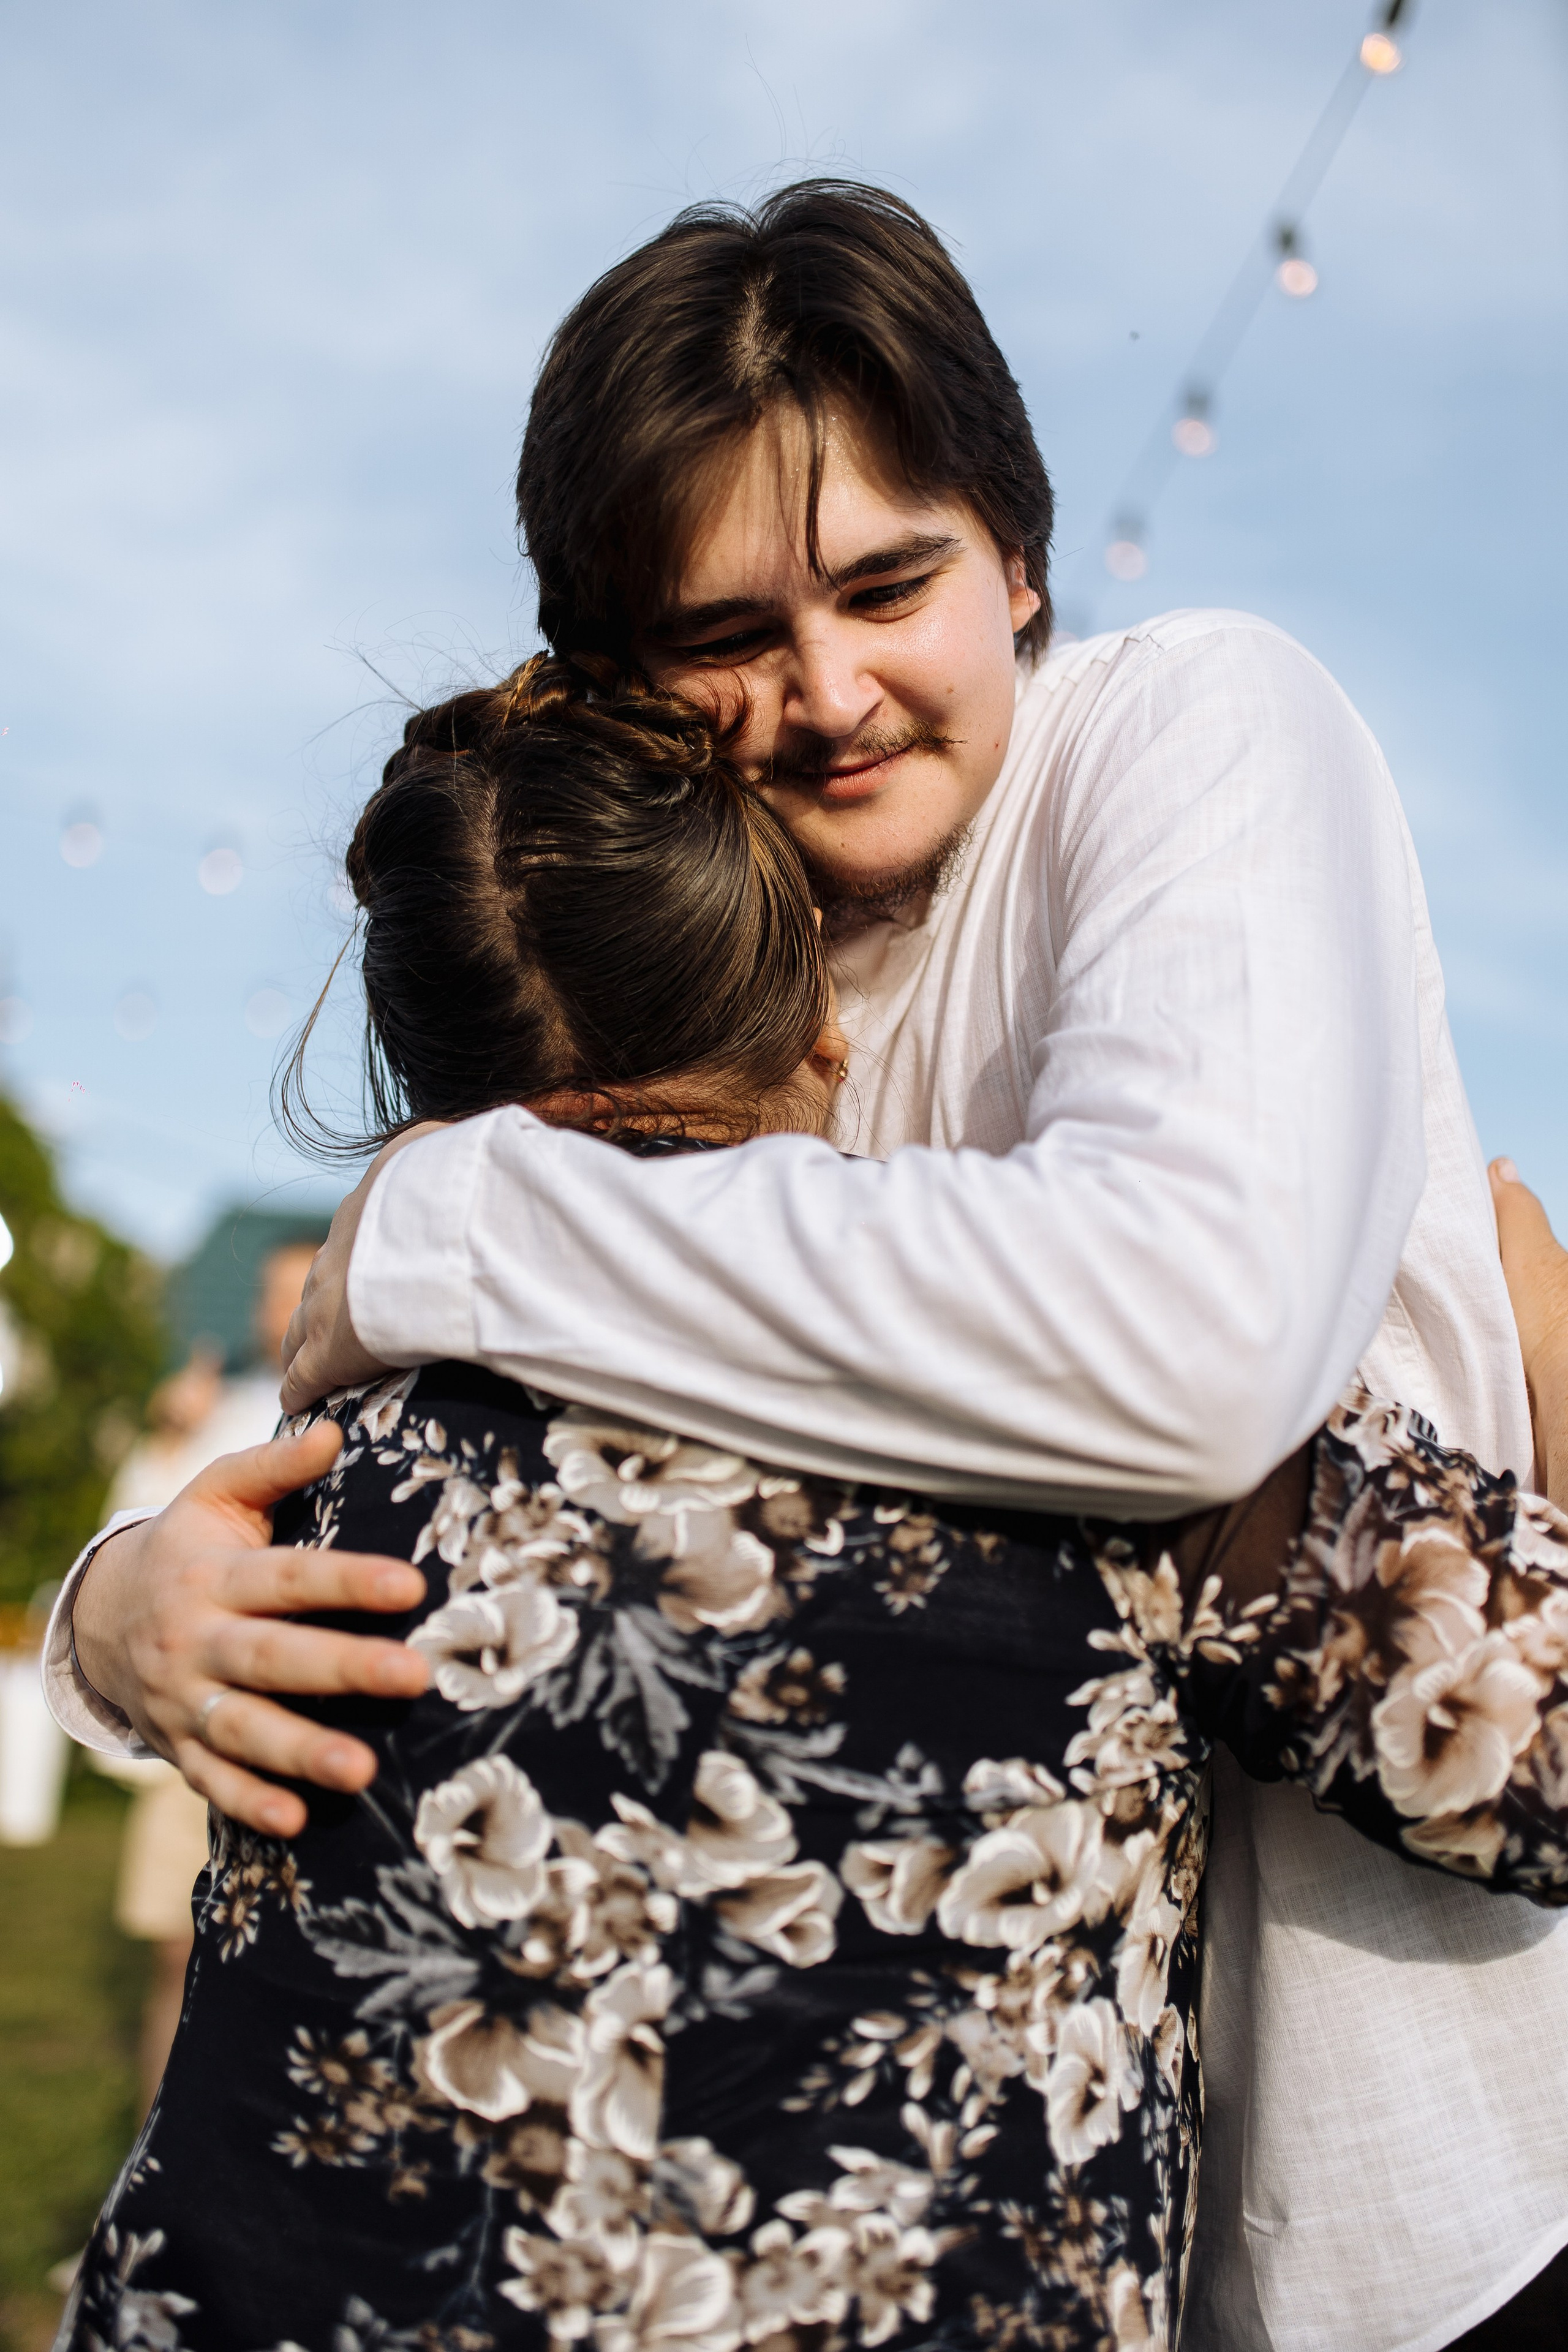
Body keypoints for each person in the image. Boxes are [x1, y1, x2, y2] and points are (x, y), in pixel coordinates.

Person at [43, 184, 1567, 2350]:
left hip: (1416, 2199)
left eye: (889, 582)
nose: (829, 688)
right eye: (727, 636)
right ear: (612, 677)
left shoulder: (1186, 734)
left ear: (1018, 562)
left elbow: (1191, 1348)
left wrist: (445, 1210)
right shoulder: (732, 989)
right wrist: (120, 1610)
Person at [100, 1238, 322, 2112]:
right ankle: (149, 2153)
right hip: (201, 1711)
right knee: (173, 1949)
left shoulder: (359, 1403)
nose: (281, 1307)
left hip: (298, 1708)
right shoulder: (215, 1407)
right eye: (271, 1292)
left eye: (297, 1289)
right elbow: (127, 1546)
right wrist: (165, 1436)